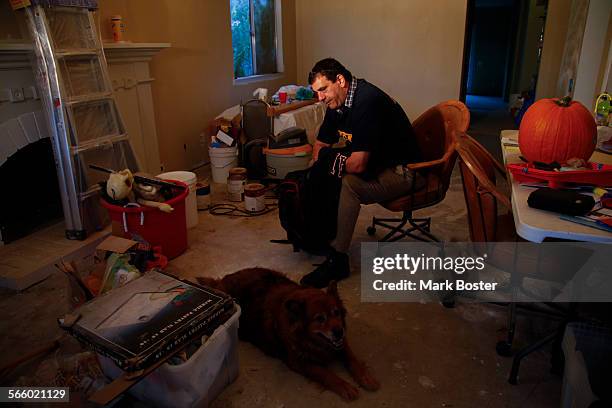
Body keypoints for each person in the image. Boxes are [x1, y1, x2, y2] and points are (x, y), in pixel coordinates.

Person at [300, 58, 421, 288]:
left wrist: (329, 160)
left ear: (341, 80)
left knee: (349, 183)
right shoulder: (337, 103)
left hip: (405, 171)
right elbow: (319, 147)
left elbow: (358, 165)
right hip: (381, 162)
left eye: (323, 90)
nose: (320, 98)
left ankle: (338, 259)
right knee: (320, 169)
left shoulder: (368, 102)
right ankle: (321, 235)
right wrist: (325, 162)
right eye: (316, 92)